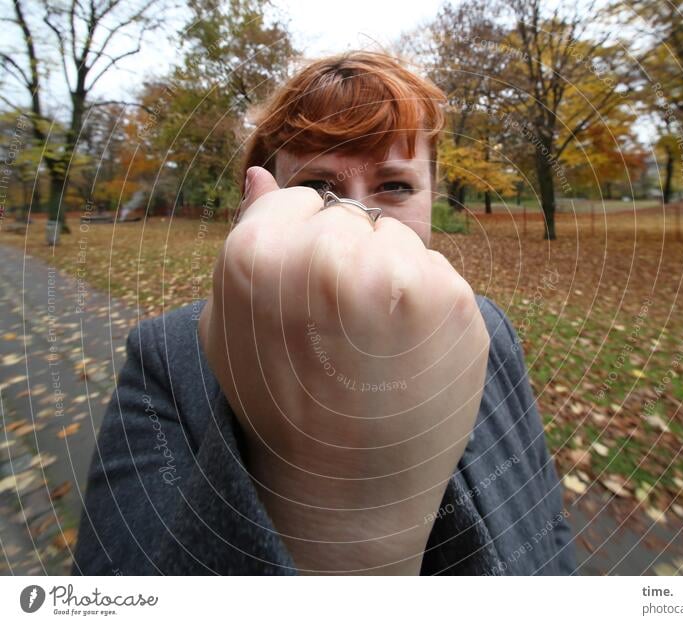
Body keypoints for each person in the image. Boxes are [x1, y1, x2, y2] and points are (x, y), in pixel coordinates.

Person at [72, 50, 575, 575]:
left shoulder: (487, 325)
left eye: (395, 185)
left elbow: (546, 520)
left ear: (432, 195)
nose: (357, 214)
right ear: (259, 197)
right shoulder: (168, 357)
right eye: (317, 186)